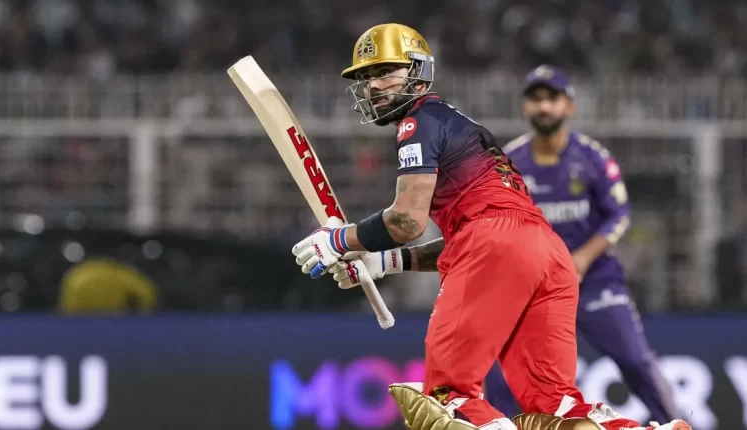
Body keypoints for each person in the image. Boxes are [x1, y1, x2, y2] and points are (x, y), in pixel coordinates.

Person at [291, 23, 691, 430]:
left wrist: (338, 239)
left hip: (497, 246)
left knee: (449, 400)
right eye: (367, 77)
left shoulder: (417, 123)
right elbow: (475, 236)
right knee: (554, 407)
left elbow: (409, 220)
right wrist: (384, 261)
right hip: (546, 253)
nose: (374, 85)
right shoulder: (458, 126)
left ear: (418, 72)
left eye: (384, 72)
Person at [484, 65, 679, 424]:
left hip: (594, 280)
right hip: (532, 287)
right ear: (525, 106)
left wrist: (582, 259)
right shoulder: (509, 162)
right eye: (536, 99)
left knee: (635, 360)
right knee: (498, 372)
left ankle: (674, 424)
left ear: (569, 106)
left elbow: (619, 215)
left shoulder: (592, 157)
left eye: (552, 98)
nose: (544, 106)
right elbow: (495, 221)